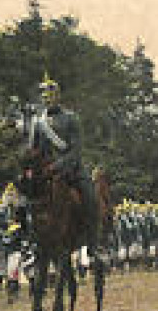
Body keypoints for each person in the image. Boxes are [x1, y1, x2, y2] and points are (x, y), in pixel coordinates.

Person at [22, 73, 100, 251]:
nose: (47, 99)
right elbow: (33, 149)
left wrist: (57, 166)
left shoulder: (71, 118)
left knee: (90, 197)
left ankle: (93, 242)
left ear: (58, 96)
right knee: (24, 198)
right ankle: (28, 237)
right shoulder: (37, 122)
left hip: (71, 169)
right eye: (44, 96)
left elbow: (76, 150)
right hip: (45, 172)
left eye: (50, 95)